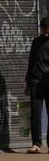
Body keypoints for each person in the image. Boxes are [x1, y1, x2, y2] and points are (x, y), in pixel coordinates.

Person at [24, 16, 49, 153]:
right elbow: (31, 62)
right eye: (44, 31)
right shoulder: (36, 42)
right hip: (36, 82)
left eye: (48, 31)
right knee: (35, 114)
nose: (46, 34)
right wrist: (28, 83)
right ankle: (36, 144)